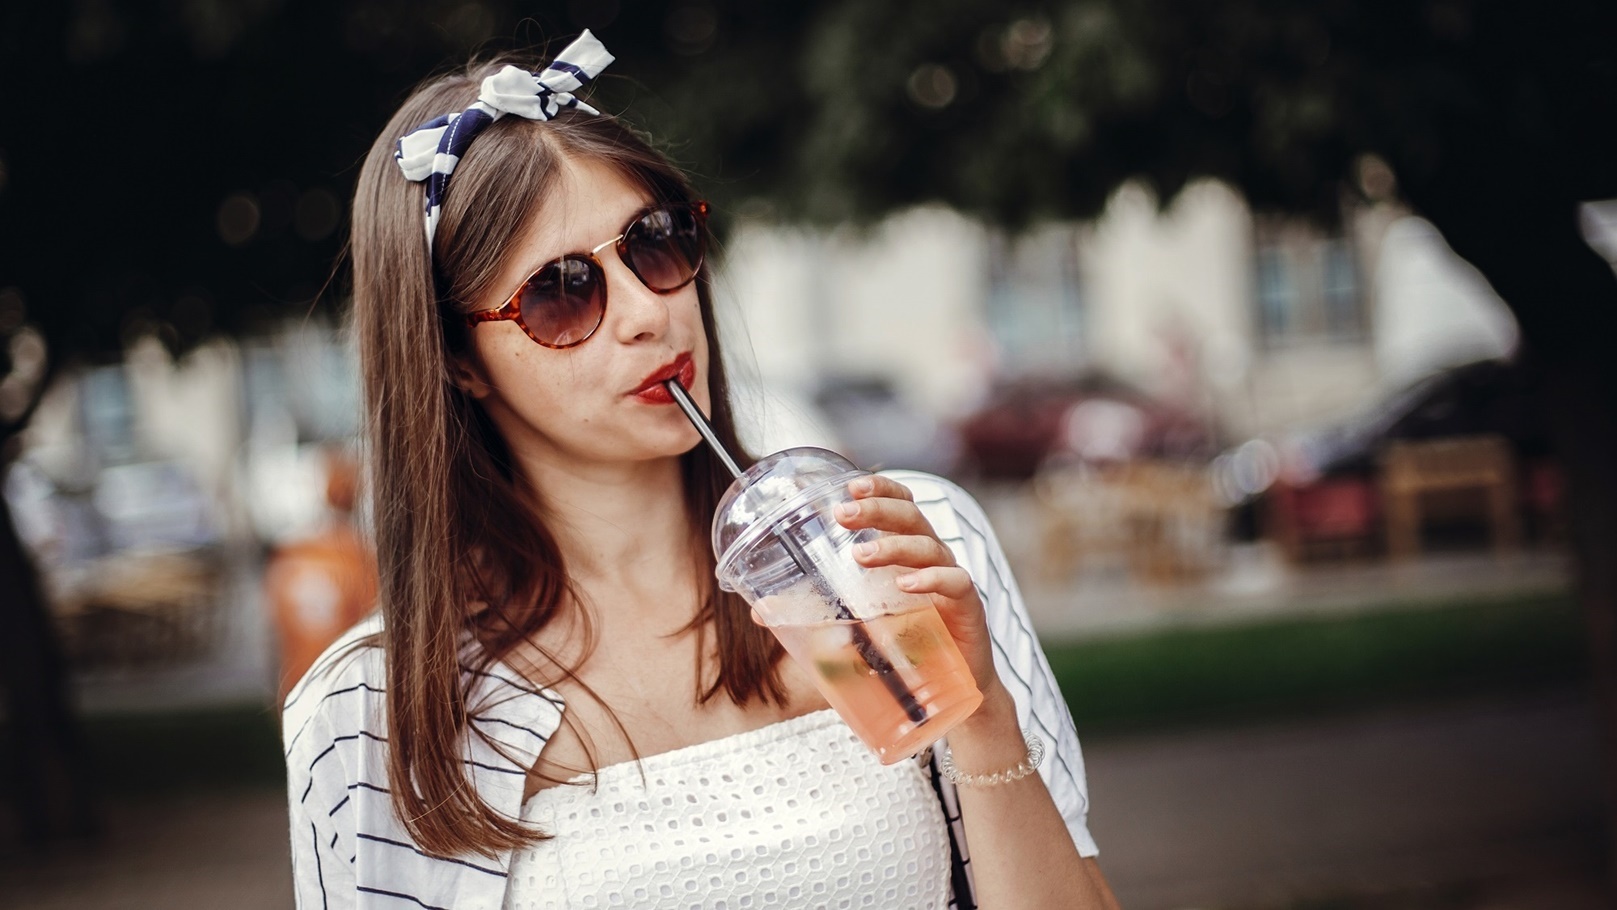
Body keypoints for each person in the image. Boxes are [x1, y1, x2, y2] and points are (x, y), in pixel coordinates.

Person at [283, 32, 1120, 910]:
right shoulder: (377, 709)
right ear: (457, 359)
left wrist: (982, 716)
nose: (649, 312)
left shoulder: (899, 544)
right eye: (563, 290)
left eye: (655, 242)